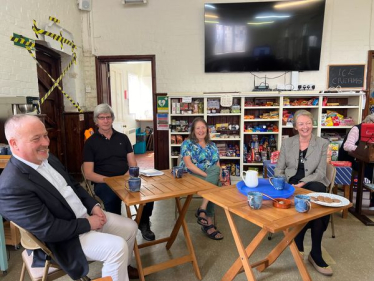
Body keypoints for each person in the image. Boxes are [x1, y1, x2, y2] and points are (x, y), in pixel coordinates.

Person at [0, 115, 139, 281]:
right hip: (65, 240)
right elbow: (49, 230)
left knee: (130, 227)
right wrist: (88, 223)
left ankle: (122, 269)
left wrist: (94, 206)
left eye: (45, 135)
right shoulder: (11, 186)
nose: (46, 142)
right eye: (36, 138)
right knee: (117, 247)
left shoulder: (48, 158)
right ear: (14, 143)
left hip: (83, 217)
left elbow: (73, 186)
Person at [83, 104, 155, 241]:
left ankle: (143, 221)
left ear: (112, 119)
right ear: (96, 120)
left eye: (108, 117)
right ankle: (116, 229)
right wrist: (109, 180)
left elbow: (133, 162)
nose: (105, 120)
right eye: (101, 117)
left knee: (148, 193)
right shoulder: (90, 143)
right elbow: (88, 174)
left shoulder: (123, 138)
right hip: (104, 182)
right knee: (111, 198)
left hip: (126, 178)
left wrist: (128, 175)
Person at [274, 110, 333, 276]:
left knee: (317, 194)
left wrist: (303, 183)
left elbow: (321, 172)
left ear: (312, 124)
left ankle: (311, 248)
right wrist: (282, 183)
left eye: (308, 123)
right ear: (295, 127)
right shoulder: (287, 143)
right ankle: (312, 251)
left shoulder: (322, 143)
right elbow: (279, 168)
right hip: (291, 181)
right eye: (301, 124)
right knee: (316, 204)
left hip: (313, 180)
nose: (305, 127)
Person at [179, 117, 223, 240]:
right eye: (198, 128)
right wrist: (210, 176)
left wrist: (217, 175)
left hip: (209, 174)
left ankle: (202, 209)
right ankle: (209, 224)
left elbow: (217, 164)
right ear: (193, 130)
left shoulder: (212, 145)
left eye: (203, 127)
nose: (201, 130)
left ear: (207, 130)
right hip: (190, 175)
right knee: (214, 185)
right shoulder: (187, 143)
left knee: (215, 177)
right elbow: (189, 165)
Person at [338, 114, 374, 208]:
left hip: (366, 159)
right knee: (369, 167)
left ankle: (372, 201)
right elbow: (347, 146)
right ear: (368, 122)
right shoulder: (357, 129)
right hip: (351, 157)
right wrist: (362, 149)